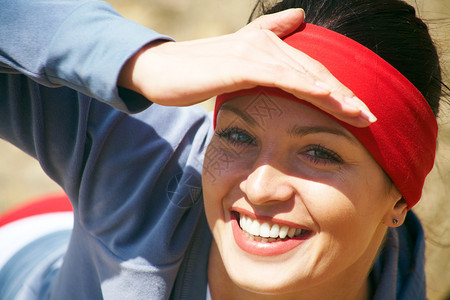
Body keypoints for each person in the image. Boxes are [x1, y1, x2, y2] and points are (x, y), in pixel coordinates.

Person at [0, 0, 445, 299]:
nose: (260, 187)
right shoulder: (146, 148)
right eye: (238, 136)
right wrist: (146, 62)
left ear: (400, 198)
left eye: (320, 153)